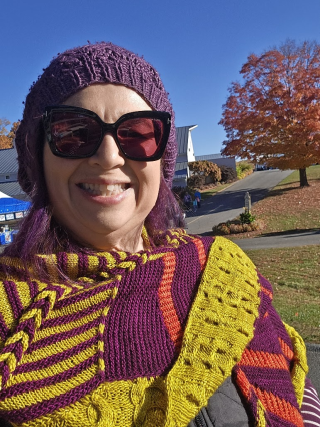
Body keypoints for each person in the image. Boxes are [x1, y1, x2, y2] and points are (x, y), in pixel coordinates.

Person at [0, 42, 318, 427]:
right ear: (39, 160)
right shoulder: (8, 311)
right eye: (74, 132)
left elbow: (295, 394)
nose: (109, 155)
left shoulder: (222, 271)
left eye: (135, 133)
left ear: (161, 162)